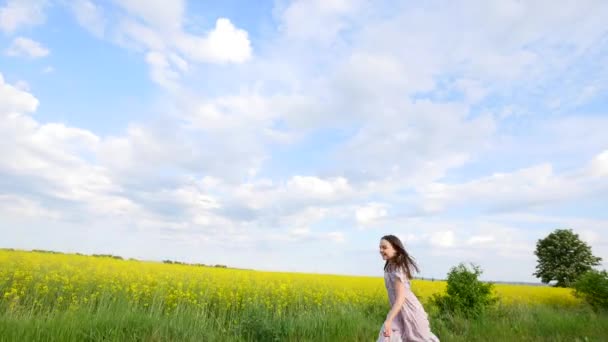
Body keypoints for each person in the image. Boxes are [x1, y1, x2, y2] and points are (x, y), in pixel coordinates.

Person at [377, 235, 439, 342]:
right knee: (387, 338)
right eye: (380, 248)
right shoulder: (389, 266)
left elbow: (400, 298)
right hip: (398, 311)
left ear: (395, 248)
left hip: (410, 311)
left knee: (419, 339)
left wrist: (388, 320)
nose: (381, 250)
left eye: (384, 247)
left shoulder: (398, 268)